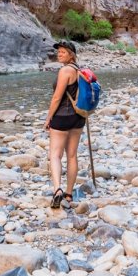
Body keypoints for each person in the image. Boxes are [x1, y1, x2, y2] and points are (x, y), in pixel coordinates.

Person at [44, 40, 84, 208]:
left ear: (71, 54)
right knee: (72, 155)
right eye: (58, 52)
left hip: (62, 117)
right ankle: (69, 194)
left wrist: (48, 118)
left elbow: (57, 98)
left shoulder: (65, 70)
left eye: (63, 52)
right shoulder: (79, 70)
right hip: (78, 117)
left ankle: (57, 190)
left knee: (55, 155)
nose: (59, 54)